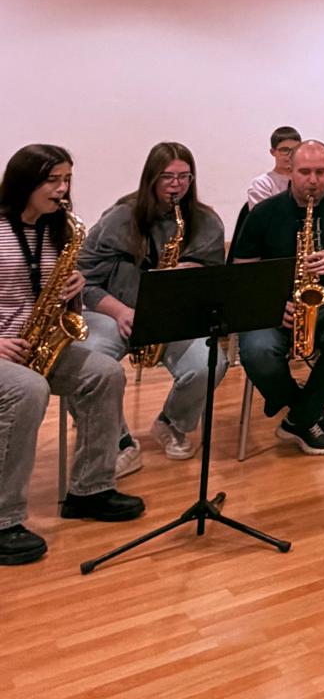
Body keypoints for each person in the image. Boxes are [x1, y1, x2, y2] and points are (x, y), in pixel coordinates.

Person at [1, 144, 145, 567]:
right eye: (52, 180)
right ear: (25, 182)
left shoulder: (57, 230)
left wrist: (75, 289)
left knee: (105, 373)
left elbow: (57, 300)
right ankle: (4, 518)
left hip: (35, 343)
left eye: (66, 179)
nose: (62, 189)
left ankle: (90, 490)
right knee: (29, 390)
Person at [78, 142, 227, 475]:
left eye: (184, 177)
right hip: (115, 313)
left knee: (211, 363)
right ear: (151, 178)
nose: (176, 185)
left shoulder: (205, 222)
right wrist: (120, 311)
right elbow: (83, 279)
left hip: (175, 317)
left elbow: (216, 280)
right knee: (86, 363)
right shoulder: (120, 217)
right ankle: (118, 441)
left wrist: (193, 271)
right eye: (167, 177)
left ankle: (172, 422)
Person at [232, 140, 324, 454]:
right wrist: (271, 304)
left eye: (321, 172)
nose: (313, 180)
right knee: (256, 351)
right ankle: (306, 410)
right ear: (290, 172)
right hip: (276, 305)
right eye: (305, 172)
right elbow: (242, 272)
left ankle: (298, 418)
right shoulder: (264, 212)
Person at [246, 126, 301, 208]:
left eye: (295, 149)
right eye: (284, 150)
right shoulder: (262, 184)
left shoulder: (305, 180)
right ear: (273, 152)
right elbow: (261, 214)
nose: (290, 155)